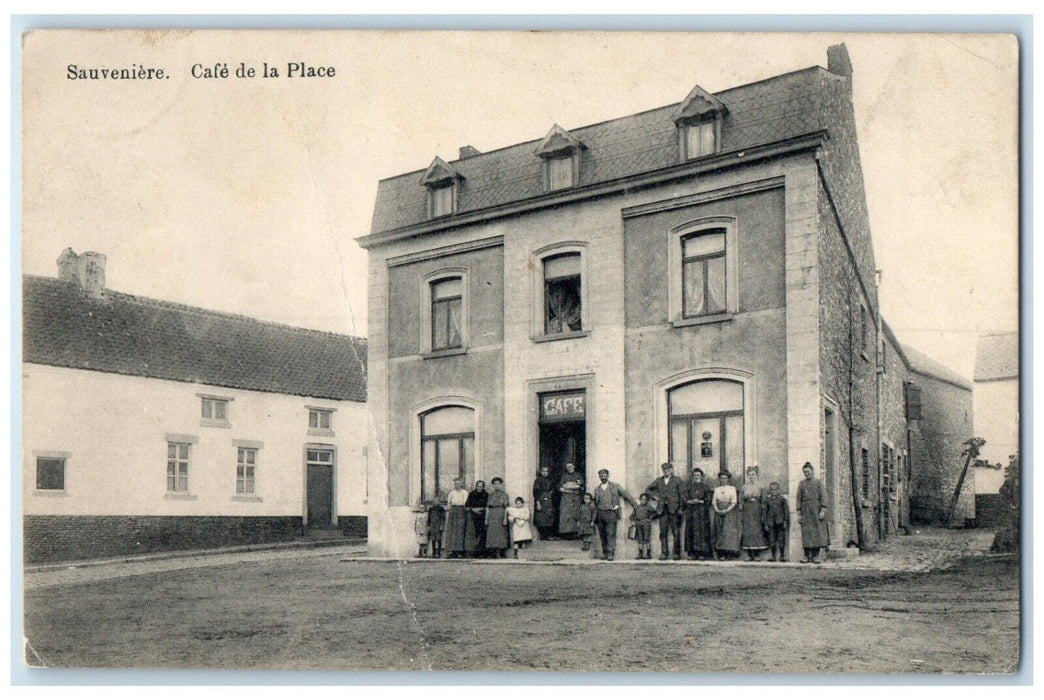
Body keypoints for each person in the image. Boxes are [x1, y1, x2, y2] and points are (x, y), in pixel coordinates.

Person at [590, 468, 638, 561]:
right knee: (602, 534)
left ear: (608, 476)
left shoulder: (615, 486)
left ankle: (610, 554)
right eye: (601, 476)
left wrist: (635, 506)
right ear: (599, 477)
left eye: (605, 476)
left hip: (611, 513)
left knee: (611, 533)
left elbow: (626, 495)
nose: (603, 478)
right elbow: (594, 502)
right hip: (600, 513)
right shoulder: (597, 489)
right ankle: (605, 553)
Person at [644, 462, 687, 560]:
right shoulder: (659, 481)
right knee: (663, 532)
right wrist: (655, 497)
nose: (666, 471)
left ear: (672, 470)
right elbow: (648, 489)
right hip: (662, 509)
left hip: (674, 509)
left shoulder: (677, 480)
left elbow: (683, 495)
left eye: (668, 469)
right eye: (664, 470)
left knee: (676, 532)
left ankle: (676, 553)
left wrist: (680, 508)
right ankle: (664, 553)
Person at [797, 461, 829, 563]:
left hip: (816, 510)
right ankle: (806, 556)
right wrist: (799, 513)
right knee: (806, 533)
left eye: (808, 472)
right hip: (806, 511)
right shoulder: (802, 484)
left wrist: (822, 510)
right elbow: (798, 499)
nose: (807, 474)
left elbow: (823, 497)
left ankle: (816, 556)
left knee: (817, 533)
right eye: (805, 472)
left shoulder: (818, 482)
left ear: (812, 471)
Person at [740, 465, 769, 561]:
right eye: (749, 475)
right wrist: (741, 509)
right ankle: (749, 554)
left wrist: (763, 511)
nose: (751, 476)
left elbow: (764, 500)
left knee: (757, 530)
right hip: (747, 510)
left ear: (756, 475)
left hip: (757, 509)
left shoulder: (761, 486)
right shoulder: (744, 487)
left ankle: (757, 555)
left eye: (753, 474)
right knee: (748, 531)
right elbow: (741, 500)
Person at [684, 468, 714, 560]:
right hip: (692, 512)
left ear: (701, 477)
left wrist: (701, 501)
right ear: (693, 477)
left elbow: (709, 499)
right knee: (691, 531)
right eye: (695, 475)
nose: (697, 477)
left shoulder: (705, 487)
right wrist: (690, 501)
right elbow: (684, 498)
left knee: (702, 531)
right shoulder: (689, 487)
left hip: (702, 512)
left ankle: (702, 553)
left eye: (698, 475)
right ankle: (692, 553)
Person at [711, 471, 742, 559]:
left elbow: (734, 502)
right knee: (719, 531)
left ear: (728, 479)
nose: (723, 480)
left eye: (725, 478)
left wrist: (726, 510)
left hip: (729, 512)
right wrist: (717, 510)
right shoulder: (717, 489)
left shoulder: (732, 489)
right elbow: (714, 502)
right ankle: (720, 553)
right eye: (721, 478)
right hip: (719, 511)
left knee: (727, 532)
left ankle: (728, 553)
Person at [761, 481, 789, 562]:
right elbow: (765, 511)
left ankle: (782, 556)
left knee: (781, 539)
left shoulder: (782, 499)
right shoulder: (767, 500)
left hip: (780, 522)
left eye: (775, 489)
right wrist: (765, 523)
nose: (774, 491)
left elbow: (785, 511)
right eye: (772, 489)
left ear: (778, 490)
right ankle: (773, 556)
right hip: (770, 523)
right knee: (772, 540)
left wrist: (785, 521)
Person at [485, 477, 511, 558]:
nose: (497, 485)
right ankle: (493, 552)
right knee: (492, 533)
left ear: (501, 485)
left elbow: (506, 507)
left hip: (501, 514)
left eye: (498, 484)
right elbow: (487, 507)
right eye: (495, 484)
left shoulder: (504, 495)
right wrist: (486, 519)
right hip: (492, 515)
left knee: (501, 533)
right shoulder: (490, 495)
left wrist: (505, 518)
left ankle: (501, 552)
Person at [557, 462, 584, 539]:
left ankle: (575, 533)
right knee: (565, 515)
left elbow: (579, 486)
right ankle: (566, 534)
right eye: (567, 467)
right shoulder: (564, 476)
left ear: (574, 466)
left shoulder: (578, 475)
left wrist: (567, 486)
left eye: (571, 466)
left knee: (574, 515)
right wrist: (570, 488)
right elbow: (561, 487)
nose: (569, 468)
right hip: (566, 498)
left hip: (575, 499)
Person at [444, 478, 469, 558]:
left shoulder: (465, 492)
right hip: (453, 511)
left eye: (458, 483)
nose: (456, 485)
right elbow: (449, 503)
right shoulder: (452, 493)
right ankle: (452, 551)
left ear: (461, 484)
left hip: (461, 510)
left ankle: (460, 551)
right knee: (452, 531)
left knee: (460, 530)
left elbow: (466, 503)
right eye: (455, 484)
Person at [464, 480, 489, 557]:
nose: (479, 488)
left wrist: (482, 509)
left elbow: (488, 506)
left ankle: (483, 552)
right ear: (476, 486)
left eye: (481, 486)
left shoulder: (486, 495)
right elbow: (466, 506)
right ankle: (474, 552)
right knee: (474, 534)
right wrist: (473, 509)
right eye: (478, 486)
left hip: (483, 516)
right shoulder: (472, 494)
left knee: (483, 534)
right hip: (473, 517)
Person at [532, 466, 557, 540]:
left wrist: (550, 494)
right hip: (540, 501)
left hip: (548, 501)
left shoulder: (550, 480)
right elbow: (536, 493)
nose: (544, 473)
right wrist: (538, 503)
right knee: (541, 519)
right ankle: (543, 536)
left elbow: (553, 489)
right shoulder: (538, 480)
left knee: (549, 518)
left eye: (546, 471)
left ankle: (548, 535)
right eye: (543, 471)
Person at [631, 492, 655, 560]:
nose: (643, 501)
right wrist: (633, 521)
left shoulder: (648, 507)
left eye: (645, 499)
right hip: (639, 523)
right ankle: (640, 553)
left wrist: (649, 519)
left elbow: (655, 513)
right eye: (642, 499)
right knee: (640, 539)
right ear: (640, 500)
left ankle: (648, 553)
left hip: (646, 524)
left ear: (647, 500)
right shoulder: (637, 507)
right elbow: (632, 516)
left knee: (646, 539)